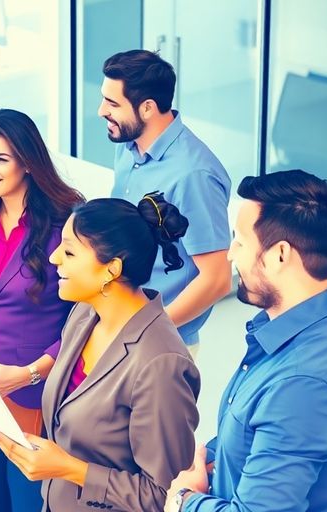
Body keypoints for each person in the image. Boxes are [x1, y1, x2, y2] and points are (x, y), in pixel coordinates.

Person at [0, 194, 200, 511]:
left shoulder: (161, 363)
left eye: (70, 251)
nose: (53, 259)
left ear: (111, 269)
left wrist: (67, 468)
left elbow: (165, 496)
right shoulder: (84, 315)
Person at [166, 170, 327, 512]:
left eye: (240, 242)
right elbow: (260, 431)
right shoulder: (291, 329)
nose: (230, 255)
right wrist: (212, 454)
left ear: (280, 255)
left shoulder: (300, 384)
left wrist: (183, 501)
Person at [0, 109, 84, 512]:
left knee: (29, 503)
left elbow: (86, 317)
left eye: (0, 159)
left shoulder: (68, 219)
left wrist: (31, 372)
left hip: (37, 395)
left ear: (27, 162)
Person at [99, 49, 232, 352]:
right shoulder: (127, 146)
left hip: (158, 344)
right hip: (117, 324)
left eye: (112, 103)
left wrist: (146, 332)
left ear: (147, 108)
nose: (101, 111)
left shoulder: (194, 174)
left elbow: (217, 279)